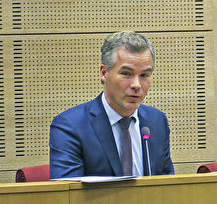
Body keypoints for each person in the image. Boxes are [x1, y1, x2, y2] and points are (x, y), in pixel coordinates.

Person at [49, 31, 174, 178]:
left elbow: (166, 187)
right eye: (127, 74)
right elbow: (69, 196)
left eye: (144, 75)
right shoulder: (70, 126)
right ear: (104, 73)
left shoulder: (156, 121)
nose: (136, 85)